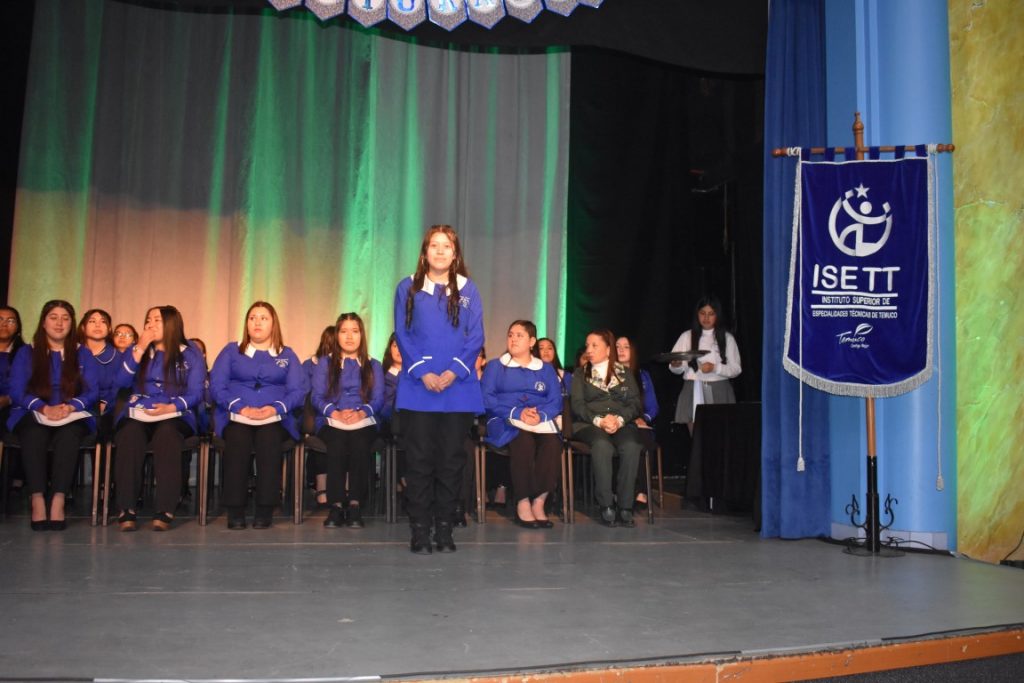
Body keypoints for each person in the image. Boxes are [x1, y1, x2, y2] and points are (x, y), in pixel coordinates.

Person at [393, 224, 484, 554]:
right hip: (419, 389)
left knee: (451, 461)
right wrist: (423, 372)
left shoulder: (468, 289)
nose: (441, 251)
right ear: (425, 252)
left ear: (455, 253)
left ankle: (445, 528)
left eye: (447, 246)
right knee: (419, 462)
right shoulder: (407, 287)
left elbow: (476, 336)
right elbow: (402, 334)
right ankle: (420, 529)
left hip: (457, 390)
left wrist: (453, 372)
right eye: (434, 245)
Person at [209, 302, 308, 530]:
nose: (257, 322)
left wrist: (274, 409)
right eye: (252, 317)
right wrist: (241, 408)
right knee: (238, 438)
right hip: (236, 415)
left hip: (275, 418)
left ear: (273, 324)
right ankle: (235, 509)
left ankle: (265, 507)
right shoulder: (231, 351)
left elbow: (297, 391)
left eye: (264, 318)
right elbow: (217, 386)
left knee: (269, 438)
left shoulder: (287, 354)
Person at [6, 300, 99, 530]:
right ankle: (37, 498)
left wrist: (70, 407)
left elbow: (92, 391)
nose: (59, 323)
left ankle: (58, 499)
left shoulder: (82, 353)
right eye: (53, 317)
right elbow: (16, 391)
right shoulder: (27, 352)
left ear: (72, 324)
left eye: (65, 318)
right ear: (43, 322)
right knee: (34, 433)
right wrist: (43, 408)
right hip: (32, 411)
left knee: (69, 435)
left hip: (71, 413)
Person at [112, 305, 206, 531]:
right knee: (129, 434)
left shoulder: (190, 353)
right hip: (139, 411)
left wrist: (171, 407)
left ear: (171, 324)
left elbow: (196, 393)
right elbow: (120, 382)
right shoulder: (137, 351)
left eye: (157, 320)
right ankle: (127, 507)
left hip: (175, 412)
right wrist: (140, 347)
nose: (150, 325)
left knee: (167, 435)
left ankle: (165, 507)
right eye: (148, 320)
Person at [481, 320, 562, 529]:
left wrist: (540, 415)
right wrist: (517, 413)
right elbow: (487, 399)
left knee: (553, 443)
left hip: (538, 420)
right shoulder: (495, 366)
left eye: (519, 335)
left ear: (532, 341)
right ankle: (523, 500)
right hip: (504, 419)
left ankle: (539, 501)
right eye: (510, 335)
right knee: (523, 440)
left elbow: (556, 401)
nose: (513, 339)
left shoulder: (546, 369)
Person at [311, 312, 384, 529]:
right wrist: (335, 413)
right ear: (337, 335)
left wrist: (362, 413)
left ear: (362, 335)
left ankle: (355, 505)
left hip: (364, 419)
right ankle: (335, 505)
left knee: (360, 442)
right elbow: (317, 397)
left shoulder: (373, 365)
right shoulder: (325, 363)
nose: (349, 337)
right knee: (337, 442)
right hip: (332, 419)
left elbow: (378, 399)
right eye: (344, 331)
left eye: (355, 331)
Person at [570, 329, 644, 527]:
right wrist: (599, 420)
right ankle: (606, 504)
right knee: (602, 445)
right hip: (590, 423)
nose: (589, 349)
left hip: (620, 422)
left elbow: (635, 404)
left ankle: (626, 506)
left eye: (595, 345)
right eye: (587, 345)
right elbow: (577, 405)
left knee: (631, 446)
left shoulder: (624, 373)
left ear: (608, 350)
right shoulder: (580, 374)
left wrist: (619, 420)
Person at [668, 295, 742, 432]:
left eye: (711, 314)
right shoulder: (686, 336)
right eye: (702, 313)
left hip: (719, 389)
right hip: (692, 387)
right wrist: (676, 365)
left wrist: (715, 368)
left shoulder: (727, 338)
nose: (706, 318)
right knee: (696, 435)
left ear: (717, 315)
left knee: (718, 434)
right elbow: (675, 366)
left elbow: (736, 369)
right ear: (697, 314)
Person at [616, 335, 659, 508]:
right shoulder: (607, 375)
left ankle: (642, 491)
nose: (621, 350)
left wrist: (644, 418)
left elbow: (653, 406)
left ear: (633, 351)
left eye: (626, 347)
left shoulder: (643, 376)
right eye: (617, 346)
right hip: (617, 423)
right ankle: (619, 491)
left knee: (644, 437)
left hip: (639, 422)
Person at [303, 326, 335, 507]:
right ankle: (319, 486)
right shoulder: (309, 366)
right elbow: (305, 396)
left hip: (339, 417)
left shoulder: (349, 366)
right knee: (320, 439)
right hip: (315, 415)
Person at [78, 309, 121, 429]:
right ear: (83, 328)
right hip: (73, 407)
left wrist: (106, 404)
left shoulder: (117, 357)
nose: (98, 325)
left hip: (104, 409)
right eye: (92, 321)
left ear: (109, 329)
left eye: (103, 322)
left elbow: (119, 388)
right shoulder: (72, 353)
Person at [0, 305, 26, 438]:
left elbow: (26, 386)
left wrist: (8, 399)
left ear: (17, 327)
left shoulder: (25, 353)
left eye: (10, 321)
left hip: (11, 406)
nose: (4, 324)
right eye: (0, 319)